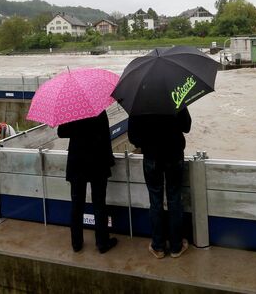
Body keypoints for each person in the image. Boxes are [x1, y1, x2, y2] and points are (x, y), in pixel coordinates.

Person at [127, 108, 191, 259]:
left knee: (155, 201)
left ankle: (158, 247)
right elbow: (186, 126)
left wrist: (149, 140)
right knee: (174, 198)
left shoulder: (139, 103)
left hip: (152, 157)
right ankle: (176, 247)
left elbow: (133, 138)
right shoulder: (175, 95)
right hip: (174, 155)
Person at [57, 112, 117, 253]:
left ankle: (76, 243)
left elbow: (61, 132)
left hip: (77, 163)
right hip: (97, 162)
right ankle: (102, 243)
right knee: (99, 203)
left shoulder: (71, 110)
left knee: (77, 204)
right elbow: (106, 136)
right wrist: (109, 160)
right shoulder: (99, 110)